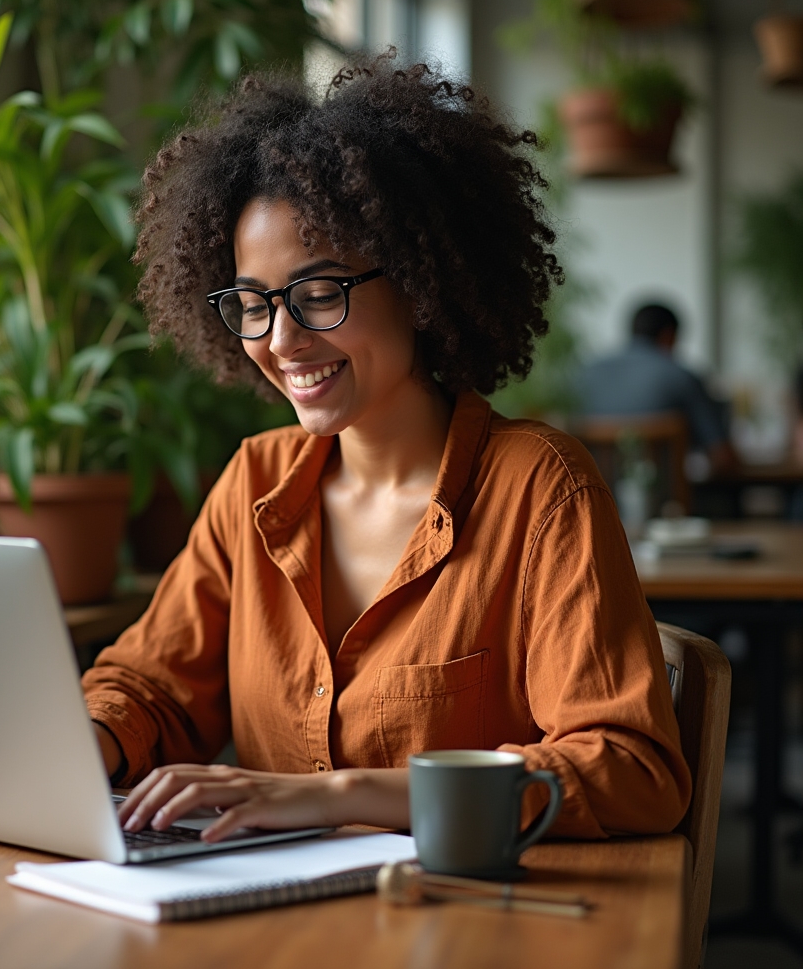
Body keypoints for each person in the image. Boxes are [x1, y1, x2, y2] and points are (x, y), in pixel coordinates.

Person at [82, 58, 691, 844]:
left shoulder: (540, 489)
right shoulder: (253, 484)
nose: (281, 339)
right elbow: (152, 687)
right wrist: (85, 748)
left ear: (418, 280)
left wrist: (340, 796)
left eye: (319, 293)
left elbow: (631, 768)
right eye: (253, 303)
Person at [577, 303, 738, 475]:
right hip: (669, 500)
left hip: (594, 496)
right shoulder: (681, 376)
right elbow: (722, 456)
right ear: (668, 335)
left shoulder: (584, 375)